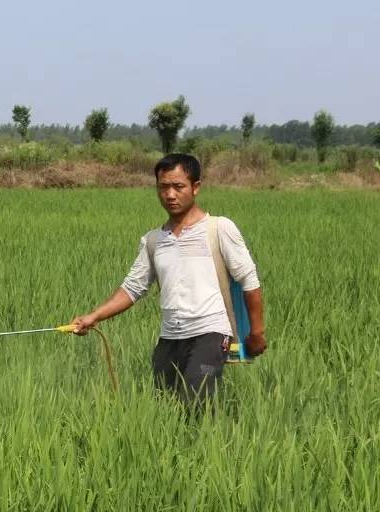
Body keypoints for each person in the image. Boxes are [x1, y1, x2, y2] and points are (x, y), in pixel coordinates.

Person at [71, 153, 266, 408]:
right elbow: (132, 288)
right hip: (170, 337)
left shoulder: (218, 229)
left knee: (196, 403)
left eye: (178, 186)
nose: (170, 195)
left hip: (211, 332)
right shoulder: (153, 240)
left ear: (196, 187)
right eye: (163, 187)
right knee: (166, 407)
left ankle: (213, 446)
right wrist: (93, 317)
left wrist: (257, 332)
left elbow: (249, 279)